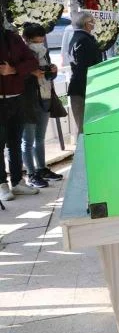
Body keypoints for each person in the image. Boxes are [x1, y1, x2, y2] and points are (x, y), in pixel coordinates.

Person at [20, 23, 63, 189]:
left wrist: (52, 71)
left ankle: (41, 169)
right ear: (27, 38)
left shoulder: (45, 52)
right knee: (28, 140)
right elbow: (20, 75)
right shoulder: (24, 54)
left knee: (40, 138)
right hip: (29, 101)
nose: (41, 40)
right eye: (37, 37)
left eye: (42, 36)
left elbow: (48, 77)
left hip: (45, 97)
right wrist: (32, 72)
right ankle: (31, 174)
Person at [0, 20, 39, 202]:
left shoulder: (13, 39)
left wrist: (13, 70)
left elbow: (32, 61)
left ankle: (17, 181)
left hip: (16, 97)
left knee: (15, 142)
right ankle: (2, 185)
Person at [67, 12, 102, 135]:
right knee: (85, 131)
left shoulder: (78, 38)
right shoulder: (83, 40)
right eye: (92, 21)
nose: (94, 24)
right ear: (87, 24)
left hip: (81, 89)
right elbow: (85, 67)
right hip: (83, 90)